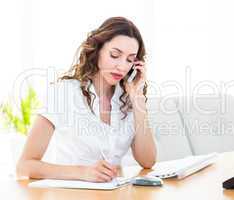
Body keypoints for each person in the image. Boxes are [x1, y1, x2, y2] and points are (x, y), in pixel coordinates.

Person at [16, 17, 157, 182]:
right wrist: (82, 172)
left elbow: (148, 161)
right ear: (97, 50)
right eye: (115, 55)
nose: (122, 66)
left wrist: (138, 100)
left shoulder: (127, 97)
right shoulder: (64, 92)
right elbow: (24, 166)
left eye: (130, 60)